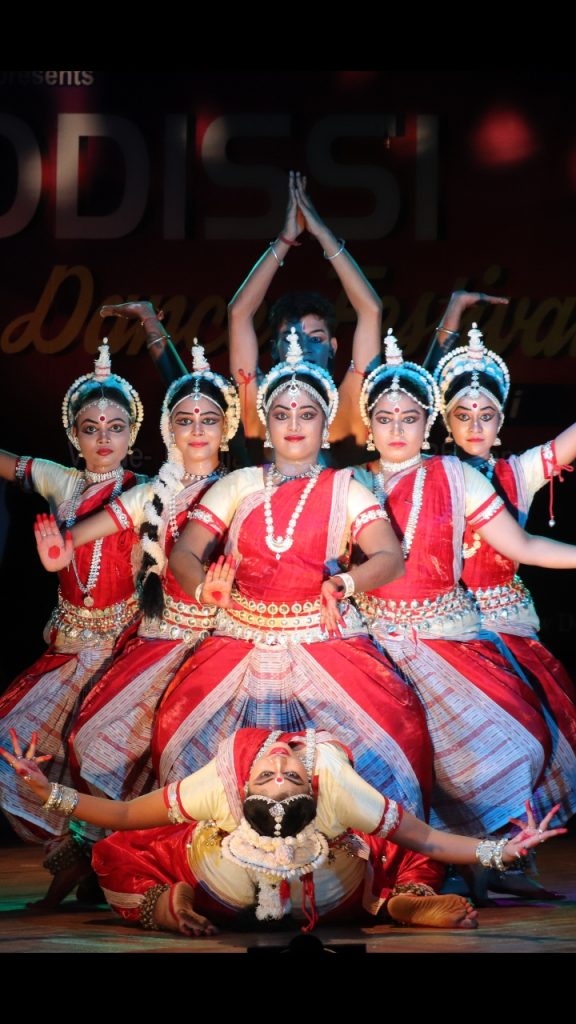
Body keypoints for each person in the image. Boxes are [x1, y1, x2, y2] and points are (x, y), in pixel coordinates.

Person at [151, 331, 433, 820]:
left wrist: (346, 583)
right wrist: (203, 589)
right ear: (267, 424)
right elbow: (184, 553)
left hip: (324, 636)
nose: (294, 425)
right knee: (177, 733)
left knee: (397, 729)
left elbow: (389, 557)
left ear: (326, 425)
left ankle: (364, 859)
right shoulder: (239, 483)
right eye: (282, 414)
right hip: (238, 637)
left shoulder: (346, 487)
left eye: (307, 415)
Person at [0, 728, 565, 935]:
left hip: (220, 892)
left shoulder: (220, 786)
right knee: (398, 850)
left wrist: (47, 793)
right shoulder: (337, 781)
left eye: (272, 774)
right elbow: (429, 841)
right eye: (282, 773)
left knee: (121, 850)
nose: (275, 761)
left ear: (243, 793)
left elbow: (123, 816)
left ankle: (171, 908)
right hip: (334, 896)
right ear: (312, 785)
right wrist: (502, 853)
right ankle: (393, 904)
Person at [352, 331, 576, 842]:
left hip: (485, 629)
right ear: (444, 422)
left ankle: (508, 851)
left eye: (487, 415)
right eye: (463, 414)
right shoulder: (366, 480)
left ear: (501, 423)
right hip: (398, 631)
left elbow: (525, 545)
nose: (475, 425)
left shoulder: (511, 473)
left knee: (516, 740)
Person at [35, 346, 241, 804]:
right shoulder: (150, 492)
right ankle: (119, 846)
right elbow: (77, 537)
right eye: (185, 420)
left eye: (208, 420)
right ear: (169, 429)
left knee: (194, 751)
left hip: (222, 640)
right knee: (92, 742)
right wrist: (58, 553)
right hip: (159, 637)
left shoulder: (243, 486)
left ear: (226, 429)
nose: (197, 430)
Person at [0, 343, 144, 900]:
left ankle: (106, 863)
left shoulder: (148, 492)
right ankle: (76, 853)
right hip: (69, 644)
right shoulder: (63, 482)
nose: (103, 438)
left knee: (105, 757)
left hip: (126, 647)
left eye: (115, 426)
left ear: (133, 433)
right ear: (74, 437)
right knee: (20, 743)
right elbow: (10, 462)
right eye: (90, 427)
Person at [228, 171, 381, 462]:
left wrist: (323, 234)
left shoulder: (351, 399)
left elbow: (370, 310)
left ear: (333, 347)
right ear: (275, 348)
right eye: (291, 338)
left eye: (316, 338)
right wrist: (285, 239)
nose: (304, 347)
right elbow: (239, 313)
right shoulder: (257, 399)